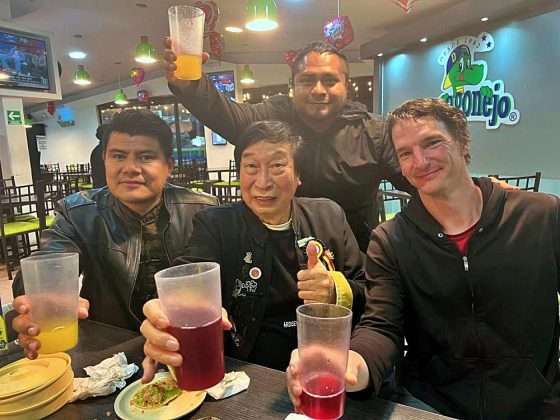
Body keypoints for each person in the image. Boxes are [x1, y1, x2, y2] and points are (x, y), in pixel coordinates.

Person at [287, 98, 560, 419]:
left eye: (432, 143)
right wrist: (350, 365)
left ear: (462, 143)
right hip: (430, 404)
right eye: (405, 153)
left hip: (536, 405)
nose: (420, 160)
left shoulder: (540, 216)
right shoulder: (391, 240)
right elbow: (382, 326)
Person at [140, 120, 366, 380]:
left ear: (298, 175)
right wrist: (168, 312)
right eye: (251, 167)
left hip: (326, 365)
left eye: (277, 166)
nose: (263, 182)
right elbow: (189, 277)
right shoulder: (216, 224)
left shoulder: (328, 216)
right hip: (248, 370)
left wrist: (335, 289)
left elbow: (366, 289)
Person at [164, 40, 411, 251]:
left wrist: (400, 242)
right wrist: (191, 86)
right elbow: (226, 115)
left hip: (352, 256)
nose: (318, 90)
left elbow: (419, 184)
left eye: (329, 80)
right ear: (293, 85)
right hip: (276, 254)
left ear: (346, 85)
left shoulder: (374, 132)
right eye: (307, 80)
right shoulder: (273, 115)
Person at [11, 109, 218, 359]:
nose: (130, 168)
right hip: (109, 349)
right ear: (104, 160)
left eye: (146, 157)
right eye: (118, 156)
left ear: (169, 167)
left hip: (185, 345)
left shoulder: (203, 211)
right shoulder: (78, 212)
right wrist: (42, 297)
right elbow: (50, 259)